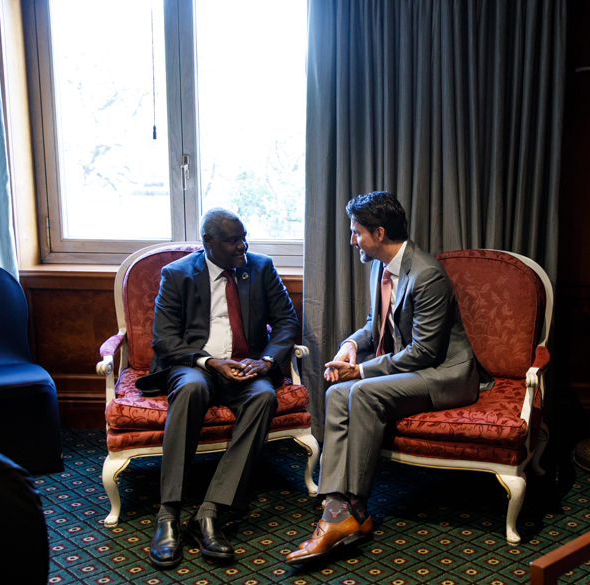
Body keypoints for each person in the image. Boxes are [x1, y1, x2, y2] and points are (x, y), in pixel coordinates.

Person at [285, 191, 479, 565]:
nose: (353, 239)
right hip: (413, 369)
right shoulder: (381, 265)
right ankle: (340, 507)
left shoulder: (427, 276)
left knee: (361, 392)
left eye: (357, 232)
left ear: (379, 232)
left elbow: (424, 352)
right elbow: (377, 326)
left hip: (444, 375)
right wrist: (350, 347)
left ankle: (346, 512)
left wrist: (360, 371)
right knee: (339, 393)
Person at [140, 208, 299, 569]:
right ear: (208, 242)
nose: (242, 246)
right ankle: (169, 513)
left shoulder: (260, 267)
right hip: (196, 366)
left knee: (264, 396)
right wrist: (210, 362)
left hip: (246, 367)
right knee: (192, 389)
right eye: (232, 240)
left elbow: (287, 321)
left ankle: (210, 512)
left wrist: (267, 361)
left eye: (244, 238)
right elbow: (164, 339)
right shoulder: (177, 274)